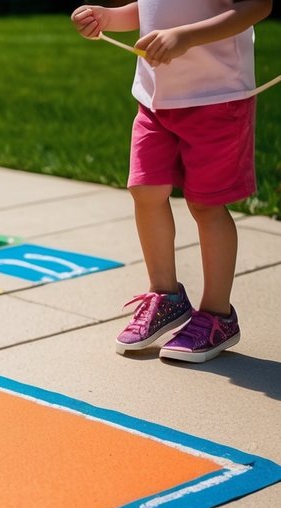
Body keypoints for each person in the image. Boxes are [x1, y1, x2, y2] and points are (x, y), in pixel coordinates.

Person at [71, 0, 272, 363]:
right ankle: (166, 296)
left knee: (206, 203)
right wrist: (110, 17)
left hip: (217, 96)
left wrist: (186, 37)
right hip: (155, 98)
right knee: (145, 189)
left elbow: (256, 6)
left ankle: (217, 315)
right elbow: (151, 6)